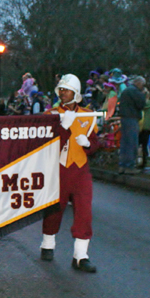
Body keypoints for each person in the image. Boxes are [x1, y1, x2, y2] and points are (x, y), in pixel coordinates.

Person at [40, 74, 100, 273]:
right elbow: (46, 144)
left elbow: (95, 144)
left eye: (67, 90)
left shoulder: (88, 115)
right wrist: (63, 127)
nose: (63, 93)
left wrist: (89, 144)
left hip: (81, 169)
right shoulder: (51, 114)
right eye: (61, 89)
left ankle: (80, 256)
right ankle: (48, 243)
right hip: (58, 168)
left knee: (84, 211)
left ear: (76, 93)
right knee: (55, 208)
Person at [117, 76, 146, 174]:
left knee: (124, 143)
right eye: (143, 85)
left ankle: (123, 165)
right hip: (132, 118)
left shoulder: (126, 91)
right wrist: (143, 95)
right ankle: (130, 166)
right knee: (132, 142)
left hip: (124, 118)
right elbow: (141, 104)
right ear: (138, 83)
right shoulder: (135, 92)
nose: (143, 87)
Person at [138, 88, 150, 169]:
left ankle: (137, 160)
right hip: (148, 126)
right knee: (145, 145)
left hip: (140, 125)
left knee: (137, 144)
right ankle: (144, 162)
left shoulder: (140, 104)